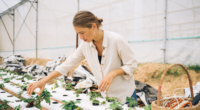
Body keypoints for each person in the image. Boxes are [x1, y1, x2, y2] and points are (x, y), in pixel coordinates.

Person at [27, 10, 138, 105]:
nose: (81, 37)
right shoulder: (85, 45)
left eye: (82, 33)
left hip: (126, 97)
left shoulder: (116, 40)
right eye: (78, 34)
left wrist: (112, 74)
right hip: (107, 98)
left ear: (94, 26)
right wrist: (44, 81)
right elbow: (67, 65)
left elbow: (132, 64)